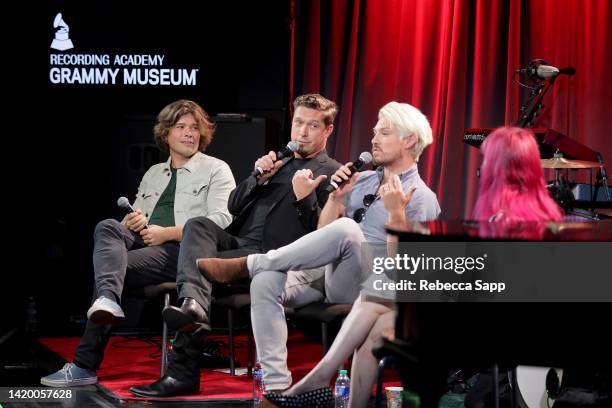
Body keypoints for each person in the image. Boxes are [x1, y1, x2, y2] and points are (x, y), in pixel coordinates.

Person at [268, 127, 564, 408]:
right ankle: (338, 395)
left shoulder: (512, 219)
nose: (482, 166)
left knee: (377, 293)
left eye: (488, 160)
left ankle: (317, 381)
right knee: (375, 324)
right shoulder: (536, 212)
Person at [199, 101, 441, 405]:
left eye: (384, 133)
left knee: (349, 231)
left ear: (408, 141)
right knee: (266, 281)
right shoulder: (362, 180)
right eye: (374, 133)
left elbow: (405, 274)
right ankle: (276, 390)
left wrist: (396, 216)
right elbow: (323, 236)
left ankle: (250, 263)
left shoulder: (422, 198)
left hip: (372, 286)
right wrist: (335, 201)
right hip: (332, 273)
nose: (374, 140)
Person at [129, 93, 342, 397]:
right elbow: (233, 205)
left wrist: (304, 197)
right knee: (198, 224)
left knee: (199, 268)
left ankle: (183, 370)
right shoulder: (278, 162)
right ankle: (192, 307)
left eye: (312, 126)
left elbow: (325, 235)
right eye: (298, 123)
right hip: (240, 243)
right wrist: (257, 177)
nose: (302, 132)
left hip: (274, 256)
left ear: (327, 131)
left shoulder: (331, 171)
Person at [40, 100, 235, 387]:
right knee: (109, 227)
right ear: (166, 133)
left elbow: (221, 220)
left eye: (195, 128)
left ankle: (84, 364)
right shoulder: (154, 173)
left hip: (183, 253)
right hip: (146, 245)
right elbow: (134, 220)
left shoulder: (216, 169)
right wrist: (131, 224)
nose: (189, 134)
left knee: (109, 271)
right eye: (181, 127)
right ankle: (107, 300)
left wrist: (166, 233)